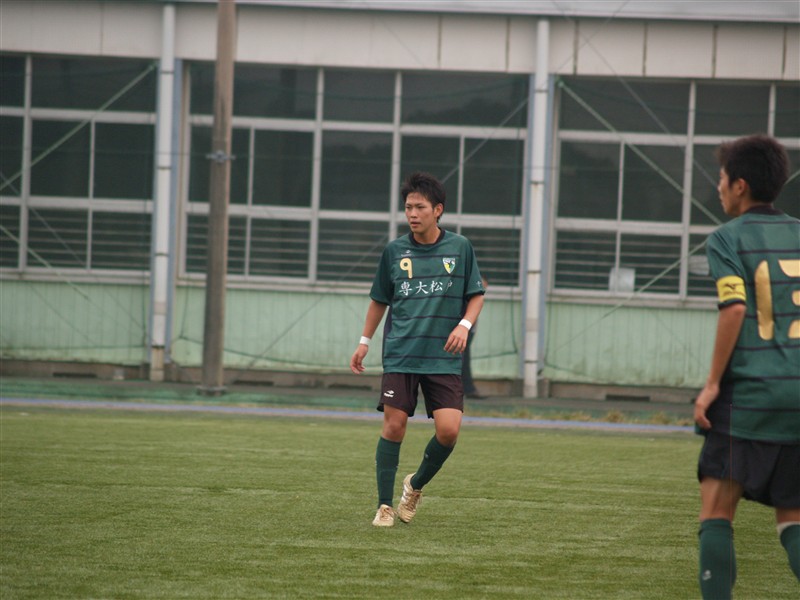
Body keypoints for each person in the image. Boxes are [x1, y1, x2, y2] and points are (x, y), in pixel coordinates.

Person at [693, 134, 800, 599]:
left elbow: (734, 308)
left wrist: (711, 385)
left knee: (717, 510)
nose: (717, 187)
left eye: (720, 178)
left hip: (749, 397)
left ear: (739, 185)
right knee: (793, 519)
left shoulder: (727, 238)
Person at [350, 171, 485, 527]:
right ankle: (384, 506)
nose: (412, 213)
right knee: (394, 425)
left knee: (449, 431)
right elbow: (379, 300)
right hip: (402, 353)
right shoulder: (394, 251)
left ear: (438, 210)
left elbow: (476, 295)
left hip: (443, 356)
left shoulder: (460, 248)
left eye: (420, 207)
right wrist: (364, 342)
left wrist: (464, 325)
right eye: (408, 207)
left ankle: (415, 486)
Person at [462, 276, 489, 399]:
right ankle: (468, 389)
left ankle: (468, 388)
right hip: (464, 329)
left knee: (464, 359)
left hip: (468, 328)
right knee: (463, 359)